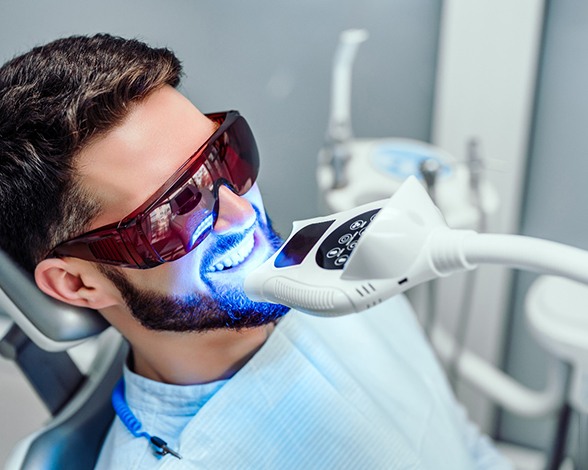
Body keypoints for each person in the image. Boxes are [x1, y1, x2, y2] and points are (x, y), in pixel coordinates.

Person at [0, 34, 512, 469]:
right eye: (174, 210)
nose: (242, 215)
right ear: (78, 283)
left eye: (224, 156)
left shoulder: (347, 270)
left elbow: (462, 445)